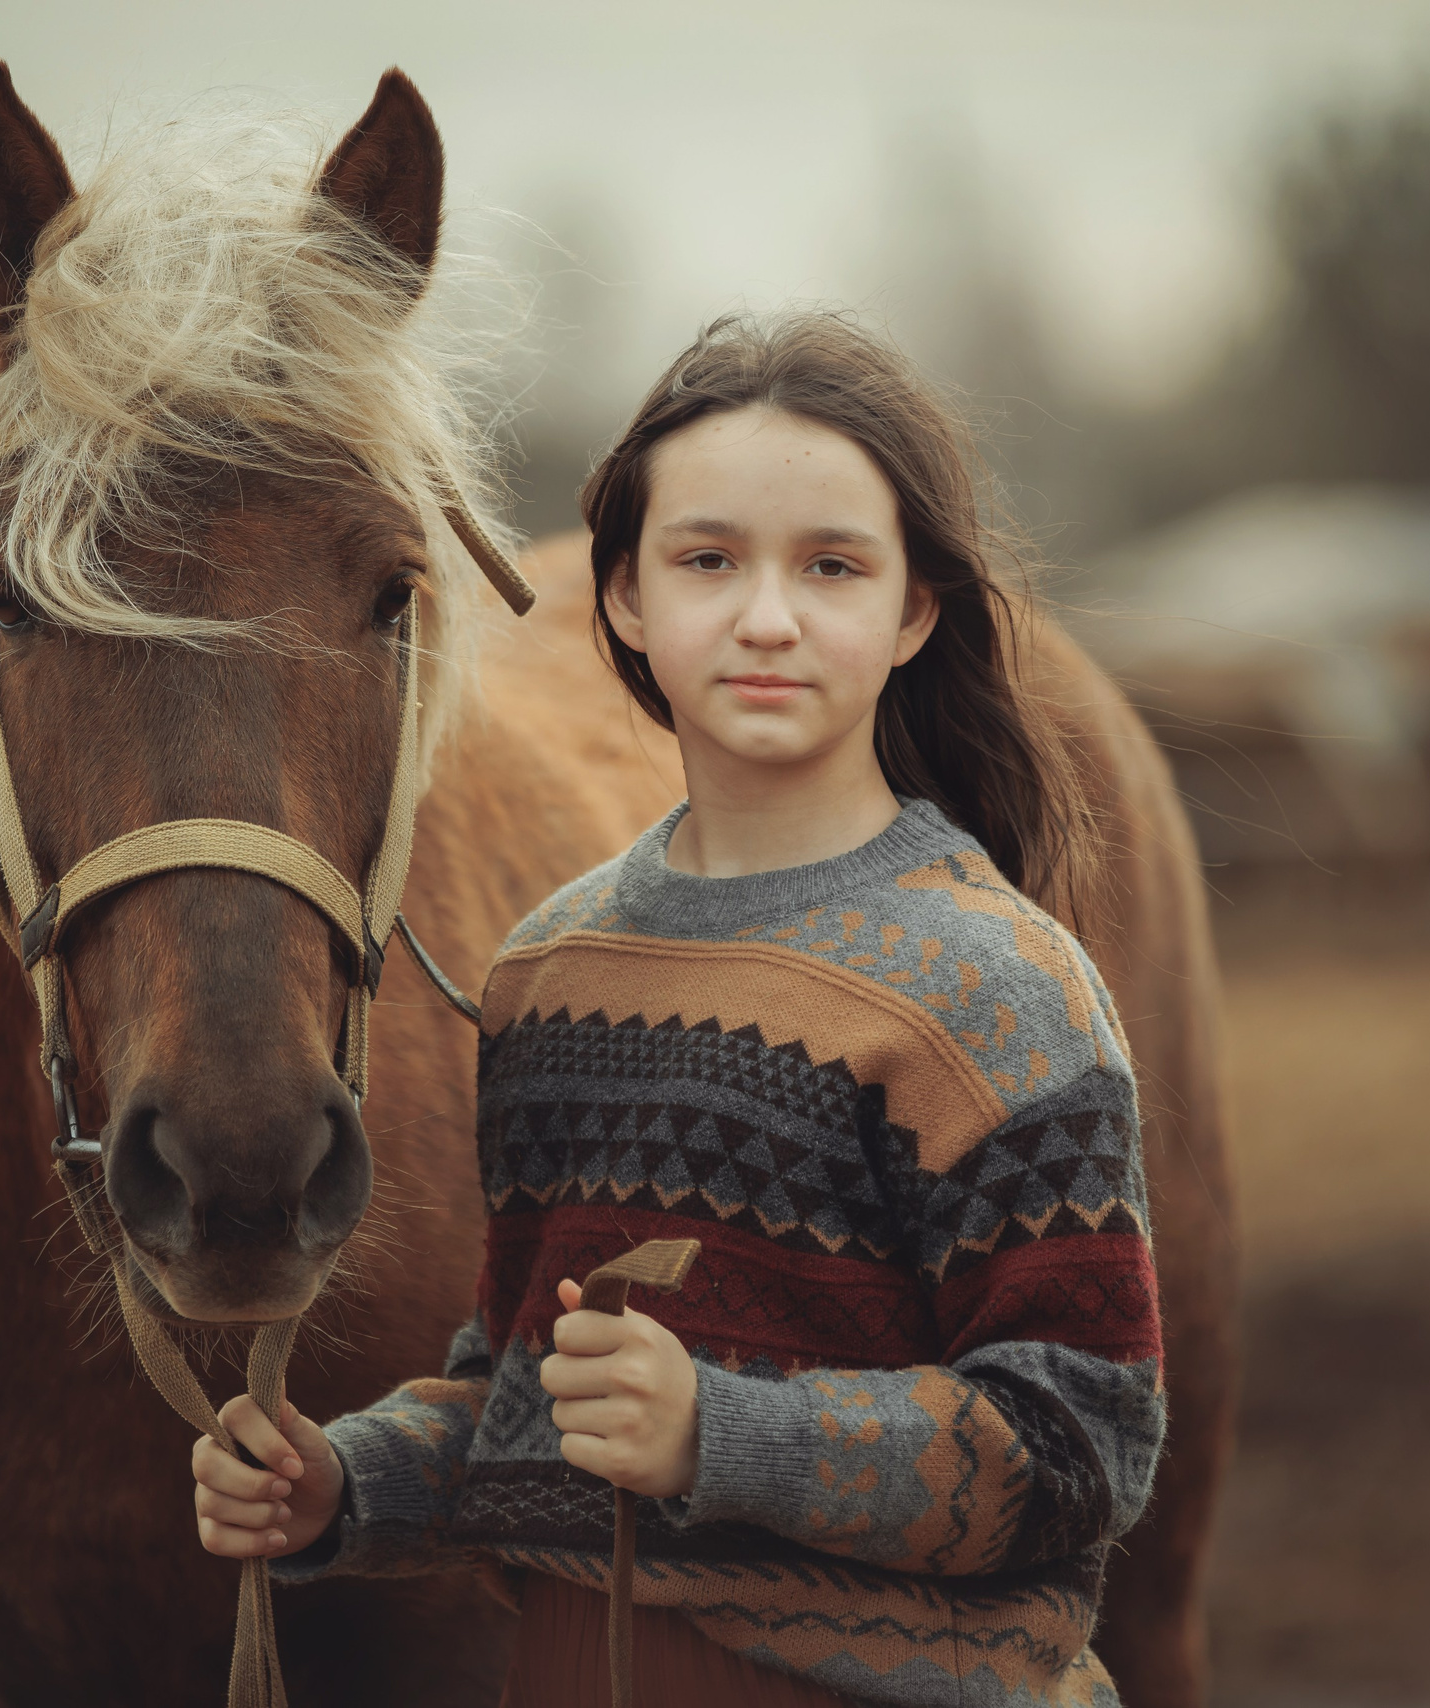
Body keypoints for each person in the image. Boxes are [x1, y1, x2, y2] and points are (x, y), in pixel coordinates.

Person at [189, 310, 1165, 1708]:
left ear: (913, 612)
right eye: (709, 560)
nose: (768, 615)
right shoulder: (546, 978)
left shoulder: (996, 990)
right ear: (626, 600)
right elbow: (526, 1400)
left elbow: (1082, 1441)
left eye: (832, 565)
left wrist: (722, 1435)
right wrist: (344, 1486)